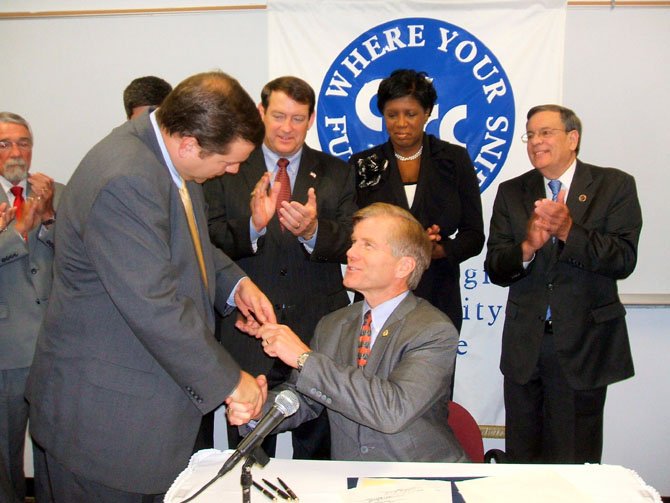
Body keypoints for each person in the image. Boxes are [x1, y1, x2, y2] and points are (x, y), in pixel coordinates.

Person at [25, 71, 276, 501]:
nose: (233, 170)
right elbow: (154, 305)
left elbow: (188, 241)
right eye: (228, 161)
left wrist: (234, 284)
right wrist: (233, 382)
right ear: (189, 144)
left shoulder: (168, 157)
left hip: (144, 414)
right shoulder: (127, 178)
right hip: (106, 428)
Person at [231, 203, 468, 463]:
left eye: (367, 245)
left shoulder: (433, 330)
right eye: (354, 242)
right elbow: (305, 398)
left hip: (420, 481)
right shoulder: (333, 324)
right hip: (350, 481)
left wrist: (304, 358)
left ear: (403, 267)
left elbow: (392, 411)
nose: (351, 253)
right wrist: (259, 411)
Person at [203, 76, 356, 460]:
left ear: (312, 119)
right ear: (261, 113)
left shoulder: (337, 171)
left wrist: (313, 231)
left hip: (317, 333)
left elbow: (354, 242)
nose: (287, 127)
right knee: (250, 454)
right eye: (279, 116)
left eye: (298, 118)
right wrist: (252, 227)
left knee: (320, 450)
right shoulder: (230, 165)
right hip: (246, 331)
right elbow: (205, 242)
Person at [485, 104, 642, 464]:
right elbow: (495, 266)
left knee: (575, 458)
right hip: (527, 346)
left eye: (546, 132)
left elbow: (623, 259)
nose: (535, 142)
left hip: (584, 344)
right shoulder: (512, 192)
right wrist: (527, 247)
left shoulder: (614, 185)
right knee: (523, 458)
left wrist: (569, 231)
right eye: (530, 135)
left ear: (573, 139)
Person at [349, 69, 484, 333]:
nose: (401, 123)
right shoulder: (364, 165)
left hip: (438, 295)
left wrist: (437, 250)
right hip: (376, 293)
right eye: (392, 115)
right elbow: (350, 231)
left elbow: (474, 236)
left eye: (410, 114)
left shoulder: (454, 160)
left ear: (427, 113)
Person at [0, 111, 62, 502]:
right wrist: (17, 231)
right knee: (5, 455)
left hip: (54, 345)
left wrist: (51, 216)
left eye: (24, 143)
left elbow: (78, 258)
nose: (16, 152)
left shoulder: (55, 191)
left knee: (55, 448)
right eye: (4, 143)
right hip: (6, 351)